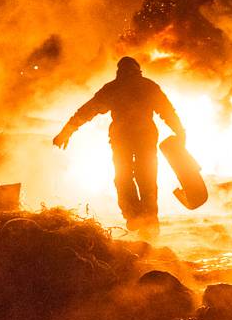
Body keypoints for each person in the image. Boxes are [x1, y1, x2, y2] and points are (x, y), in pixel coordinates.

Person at [54, 56, 185, 232]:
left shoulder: (113, 88)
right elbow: (167, 111)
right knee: (146, 178)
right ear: (138, 70)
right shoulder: (147, 86)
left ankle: (135, 217)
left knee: (123, 177)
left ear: (119, 71)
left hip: (122, 138)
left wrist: (67, 131)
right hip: (144, 138)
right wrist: (180, 131)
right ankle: (149, 222)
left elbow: (87, 110)